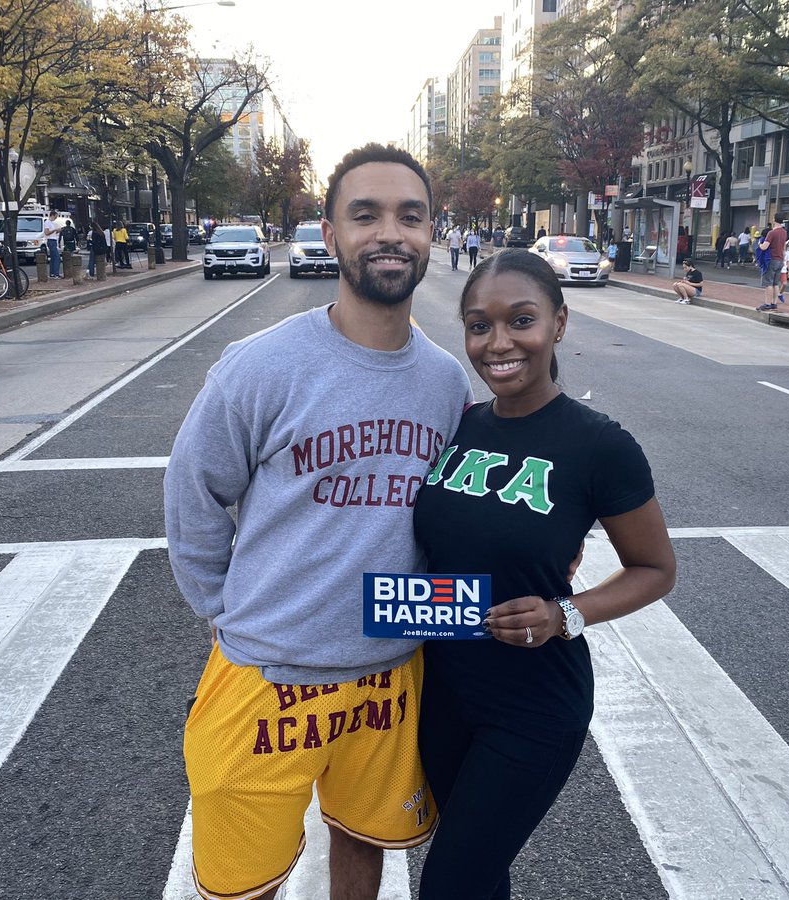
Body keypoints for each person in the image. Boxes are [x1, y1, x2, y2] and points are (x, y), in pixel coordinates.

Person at [164, 143, 471, 900]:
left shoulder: (445, 382)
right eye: (364, 215)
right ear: (329, 234)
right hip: (267, 674)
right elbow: (193, 489)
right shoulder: (260, 365)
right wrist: (220, 607)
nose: (389, 233)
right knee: (243, 882)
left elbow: (461, 516)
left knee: (364, 848)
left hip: (390, 674)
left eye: (410, 215)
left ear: (434, 233)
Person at [414, 249, 676, 899]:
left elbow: (655, 569)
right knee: (476, 871)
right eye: (479, 325)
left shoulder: (599, 445)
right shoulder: (459, 428)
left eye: (520, 320)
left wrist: (567, 613)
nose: (498, 343)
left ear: (558, 324)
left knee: (450, 883)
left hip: (532, 705)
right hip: (442, 692)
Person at [758, 215, 788, 309]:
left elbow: (765, 247)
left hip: (771, 259)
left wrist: (759, 244)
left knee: (768, 283)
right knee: (776, 283)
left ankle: (767, 303)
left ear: (774, 220)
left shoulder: (772, 233)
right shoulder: (784, 232)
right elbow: (784, 247)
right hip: (780, 259)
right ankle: (774, 303)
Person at [43, 211, 63, 279]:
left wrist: (57, 231)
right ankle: (56, 274)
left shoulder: (53, 223)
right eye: (55, 216)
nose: (56, 218)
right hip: (51, 241)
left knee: (53, 258)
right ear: (52, 215)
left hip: (54, 240)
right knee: (57, 257)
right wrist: (55, 230)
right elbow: (47, 232)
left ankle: (52, 273)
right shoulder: (47, 222)